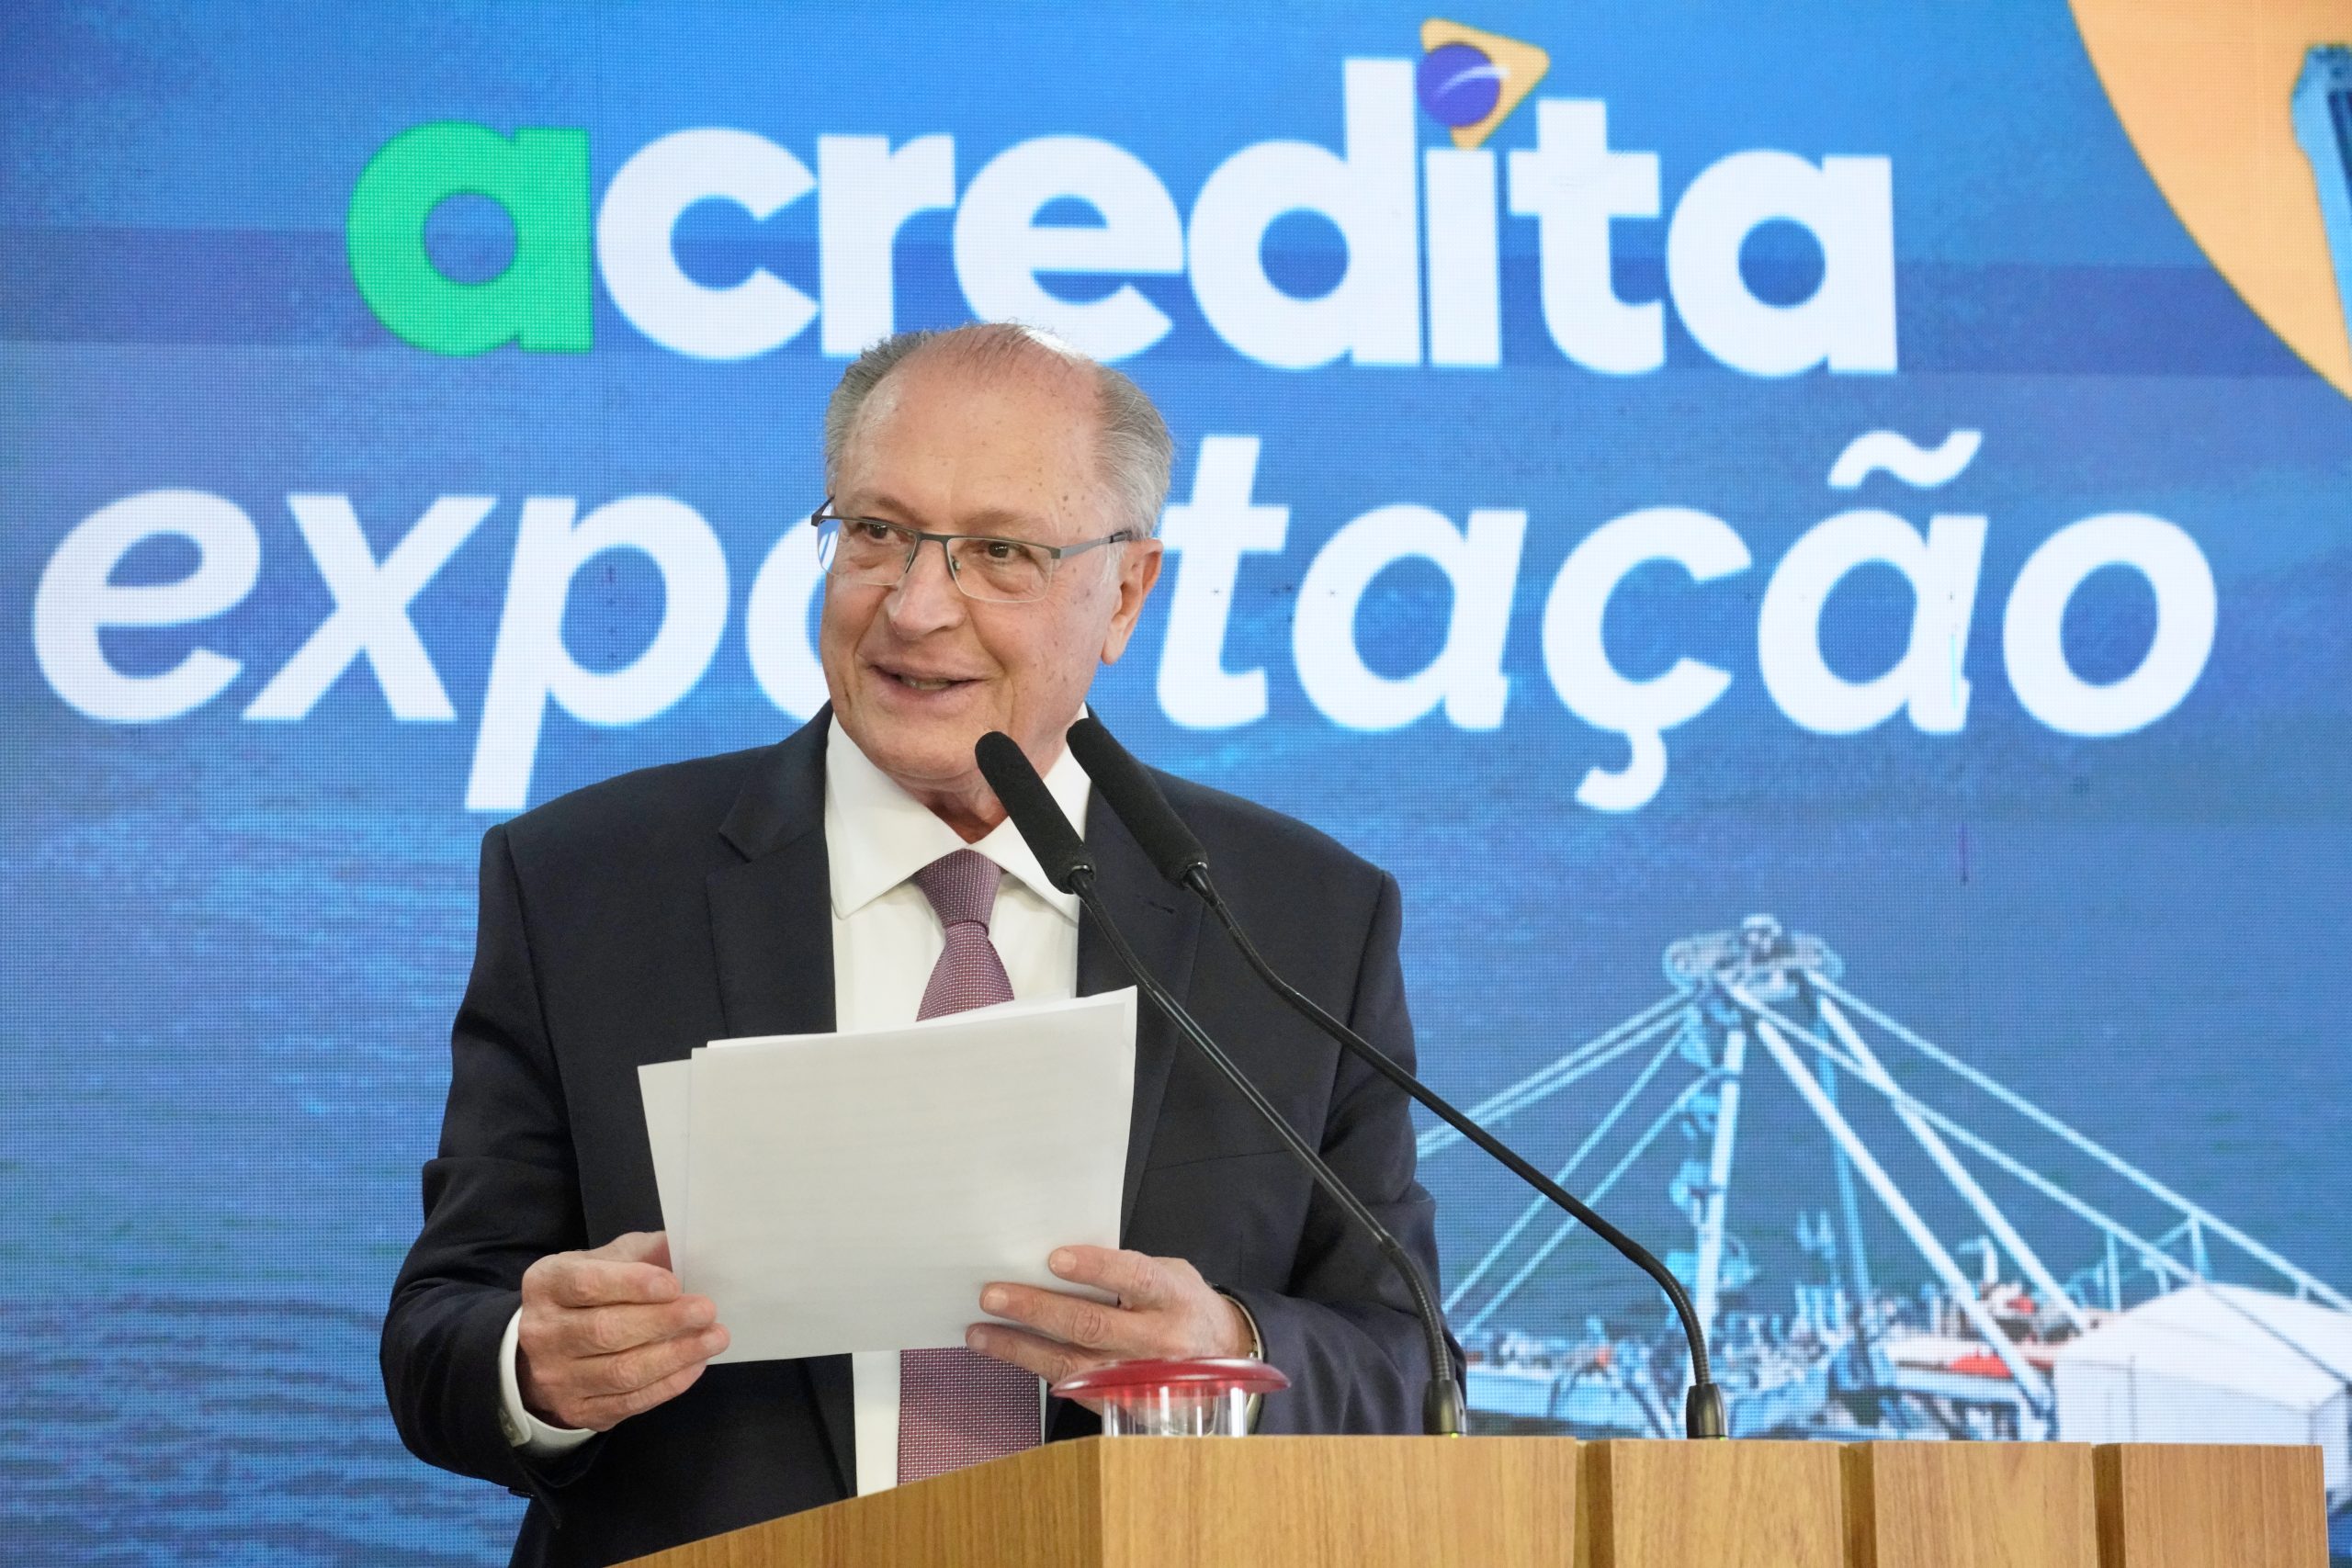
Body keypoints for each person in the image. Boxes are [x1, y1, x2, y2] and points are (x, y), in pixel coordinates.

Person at [381, 322, 1454, 1567]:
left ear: (1125, 592)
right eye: (877, 532)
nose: (916, 606)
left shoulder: (1299, 919)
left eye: (1000, 552)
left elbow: (1411, 1368)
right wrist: (537, 1365)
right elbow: (438, 1338)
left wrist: (1230, 1349)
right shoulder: (588, 883)